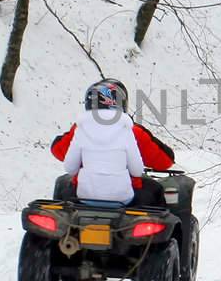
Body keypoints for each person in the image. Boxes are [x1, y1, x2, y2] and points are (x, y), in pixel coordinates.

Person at [53, 79, 174, 207]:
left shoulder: (79, 129)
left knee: (62, 186)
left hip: (83, 195)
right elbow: (164, 161)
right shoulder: (132, 131)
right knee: (157, 191)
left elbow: (58, 151)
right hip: (125, 198)